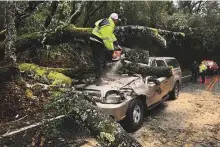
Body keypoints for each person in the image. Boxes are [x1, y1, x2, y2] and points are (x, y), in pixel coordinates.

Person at [90, 13, 121, 86]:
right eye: (116, 20)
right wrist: (112, 51)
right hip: (96, 41)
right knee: (99, 60)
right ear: (114, 19)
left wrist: (116, 43)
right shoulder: (107, 25)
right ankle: (98, 80)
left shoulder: (109, 23)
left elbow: (111, 35)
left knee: (104, 58)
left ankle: (104, 75)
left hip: (100, 42)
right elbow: (107, 39)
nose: (117, 22)